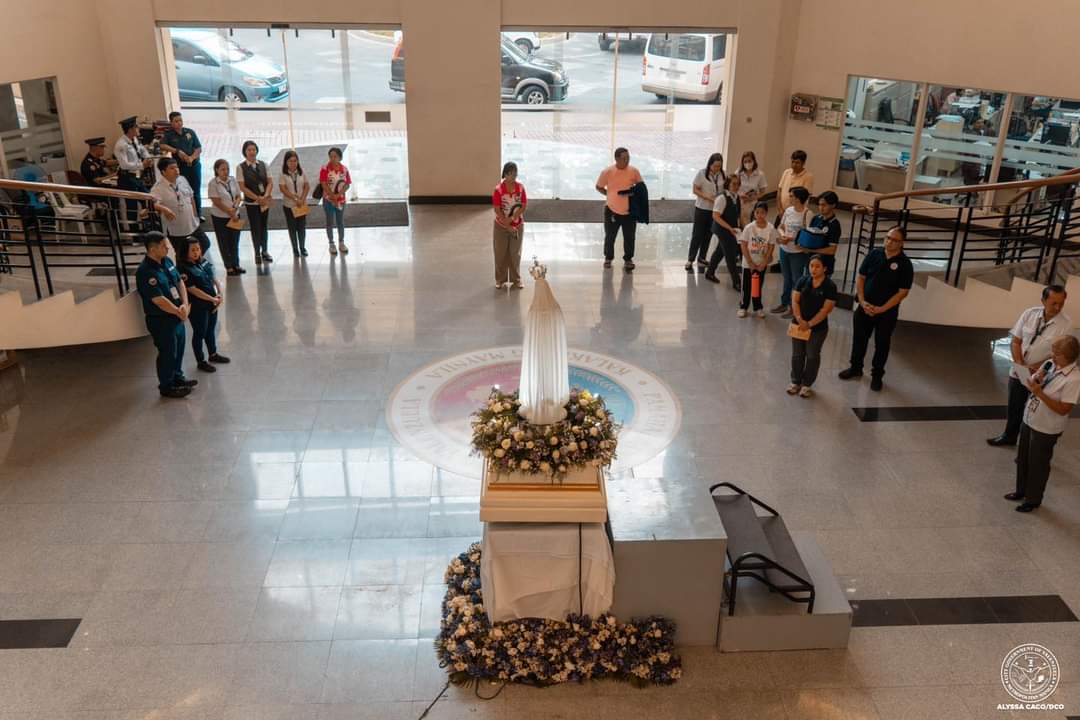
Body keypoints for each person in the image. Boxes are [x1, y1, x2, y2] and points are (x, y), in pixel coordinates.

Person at [987, 285, 1071, 447]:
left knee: (1035, 409)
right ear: (1043, 301)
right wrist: (1020, 364)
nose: (1058, 307)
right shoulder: (1029, 314)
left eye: (1061, 303)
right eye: (1054, 303)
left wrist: (1036, 367)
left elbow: (1059, 354)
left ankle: (1029, 443)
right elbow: (1016, 340)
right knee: (1015, 405)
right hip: (1019, 371)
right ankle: (1009, 436)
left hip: (1042, 375)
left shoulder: (1065, 324)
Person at [1005, 335, 1080, 512]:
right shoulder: (1051, 365)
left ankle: (1033, 499)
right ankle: (1020, 491)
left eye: (1057, 354)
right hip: (1030, 418)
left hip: (1046, 428)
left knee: (1038, 464)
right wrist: (1034, 379)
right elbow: (1036, 383)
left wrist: (1040, 393)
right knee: (1023, 458)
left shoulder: (1074, 379)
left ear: (1070, 356)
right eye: (1053, 352)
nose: (1052, 357)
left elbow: (1064, 409)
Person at [838, 225, 914, 391]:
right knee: (859, 339)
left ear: (902, 243)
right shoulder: (875, 254)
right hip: (865, 307)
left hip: (886, 313)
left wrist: (882, 308)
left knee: (882, 343)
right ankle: (856, 368)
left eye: (894, 240)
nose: (889, 242)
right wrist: (863, 301)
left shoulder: (905, 264)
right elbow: (861, 277)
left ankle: (877, 375)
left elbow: (902, 293)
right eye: (888, 237)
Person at [134, 231, 195, 399]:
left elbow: (179, 281)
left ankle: (177, 377)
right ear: (152, 249)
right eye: (163, 246)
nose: (168, 248)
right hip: (161, 320)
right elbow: (158, 299)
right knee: (168, 352)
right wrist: (178, 311)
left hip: (177, 315)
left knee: (179, 349)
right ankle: (167, 386)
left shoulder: (167, 261)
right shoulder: (145, 271)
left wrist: (184, 304)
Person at [788, 255, 838, 398]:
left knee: (812, 355)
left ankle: (807, 385)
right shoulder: (803, 281)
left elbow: (825, 310)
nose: (813, 269)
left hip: (817, 328)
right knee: (797, 355)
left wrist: (809, 324)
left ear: (825, 269)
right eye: (811, 266)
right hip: (798, 324)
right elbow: (795, 301)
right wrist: (799, 319)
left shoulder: (830, 286)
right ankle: (795, 382)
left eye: (817, 266)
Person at [177, 239, 229, 373]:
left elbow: (214, 278)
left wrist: (220, 294)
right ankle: (201, 361)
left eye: (198, 249)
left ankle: (213, 354)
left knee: (211, 329)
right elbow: (192, 289)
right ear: (185, 251)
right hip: (198, 306)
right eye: (193, 250)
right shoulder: (183, 268)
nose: (196, 252)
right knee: (200, 332)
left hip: (212, 303)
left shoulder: (203, 261)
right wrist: (212, 298)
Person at [596, 147, 643, 271]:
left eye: (628, 158)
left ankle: (628, 259)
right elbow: (599, 186)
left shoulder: (634, 171)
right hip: (612, 210)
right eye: (624, 158)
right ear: (616, 159)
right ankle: (608, 258)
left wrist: (632, 193)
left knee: (629, 237)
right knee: (610, 236)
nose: (627, 160)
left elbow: (641, 188)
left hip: (629, 212)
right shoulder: (607, 172)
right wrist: (609, 194)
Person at [150, 157, 211, 253]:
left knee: (205, 243)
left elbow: (191, 197)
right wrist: (165, 209)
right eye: (172, 168)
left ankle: (193, 263)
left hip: (192, 224)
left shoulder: (182, 179)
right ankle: (186, 265)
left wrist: (195, 215)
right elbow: (152, 204)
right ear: (163, 172)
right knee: (181, 253)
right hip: (177, 229)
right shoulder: (158, 188)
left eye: (177, 167)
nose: (176, 170)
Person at [771, 186, 814, 318]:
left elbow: (808, 234)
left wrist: (791, 238)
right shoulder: (788, 210)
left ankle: (794, 307)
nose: (789, 198)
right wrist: (783, 236)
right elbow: (781, 226)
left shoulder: (807, 213)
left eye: (792, 196)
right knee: (786, 277)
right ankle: (784, 303)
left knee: (797, 279)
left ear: (798, 198)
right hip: (785, 249)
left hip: (798, 252)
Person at [736, 201, 778, 319]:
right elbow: (743, 245)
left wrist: (764, 262)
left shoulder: (770, 228)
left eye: (763, 213)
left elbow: (771, 245)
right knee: (746, 286)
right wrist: (750, 263)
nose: (760, 215)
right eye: (757, 212)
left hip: (761, 263)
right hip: (748, 263)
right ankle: (743, 307)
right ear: (754, 213)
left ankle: (758, 307)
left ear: (766, 213)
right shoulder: (749, 228)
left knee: (758, 285)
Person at [159, 111, 203, 218]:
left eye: (180, 120)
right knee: (183, 191)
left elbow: (198, 148)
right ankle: (188, 213)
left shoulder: (189, 132)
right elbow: (162, 145)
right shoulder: (169, 135)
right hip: (180, 168)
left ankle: (198, 214)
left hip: (194, 165)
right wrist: (176, 151)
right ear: (171, 123)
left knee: (196, 190)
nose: (179, 123)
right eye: (176, 121)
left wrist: (192, 158)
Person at [492, 161, 527, 289]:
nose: (514, 176)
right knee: (500, 253)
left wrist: (512, 218)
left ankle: (516, 279)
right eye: (511, 174)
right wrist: (506, 225)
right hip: (501, 227)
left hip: (517, 225)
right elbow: (497, 209)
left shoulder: (521, 188)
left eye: (515, 173)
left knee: (515, 253)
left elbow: (523, 206)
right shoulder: (498, 190)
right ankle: (500, 280)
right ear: (505, 174)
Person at [237, 140, 273, 264]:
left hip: (264, 201)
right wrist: (258, 198)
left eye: (254, 149)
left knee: (264, 226)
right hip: (252, 203)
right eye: (249, 150)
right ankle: (257, 252)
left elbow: (270, 182)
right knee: (255, 227)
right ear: (245, 152)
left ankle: (265, 251)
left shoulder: (263, 165)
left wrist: (266, 196)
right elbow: (242, 187)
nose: (252, 152)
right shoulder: (241, 167)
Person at [687, 153, 724, 272]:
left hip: (715, 210)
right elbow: (695, 189)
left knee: (708, 234)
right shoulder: (702, 173)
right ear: (710, 164)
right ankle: (690, 259)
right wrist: (707, 197)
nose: (717, 169)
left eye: (719, 166)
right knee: (697, 234)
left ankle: (702, 257)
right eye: (715, 166)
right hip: (702, 208)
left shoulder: (722, 175)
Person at [207, 159, 245, 276]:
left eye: (227, 169)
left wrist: (236, 206)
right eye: (223, 169)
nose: (226, 171)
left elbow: (239, 195)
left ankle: (236, 264)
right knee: (224, 242)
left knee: (235, 240)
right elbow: (216, 201)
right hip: (221, 217)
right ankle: (228, 266)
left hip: (235, 215)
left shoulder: (232, 180)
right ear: (217, 170)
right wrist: (229, 211)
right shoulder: (213, 183)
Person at [704, 175, 742, 290]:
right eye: (733, 184)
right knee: (730, 255)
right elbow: (715, 216)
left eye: (738, 184)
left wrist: (743, 228)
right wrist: (729, 228)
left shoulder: (737, 197)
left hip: (731, 229)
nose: (736, 186)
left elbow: (738, 215)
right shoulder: (722, 198)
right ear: (728, 184)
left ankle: (709, 273)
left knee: (720, 251)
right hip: (722, 229)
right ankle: (737, 282)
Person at [114, 116, 153, 225]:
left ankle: (147, 226)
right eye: (136, 127)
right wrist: (142, 165)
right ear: (130, 129)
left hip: (136, 177)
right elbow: (124, 165)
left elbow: (142, 149)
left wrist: (148, 158)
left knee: (148, 199)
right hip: (127, 178)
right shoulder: (121, 145)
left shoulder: (134, 139)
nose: (138, 129)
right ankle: (134, 235)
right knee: (132, 207)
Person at [320, 147, 351, 256]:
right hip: (328, 200)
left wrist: (338, 195)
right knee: (329, 222)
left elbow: (347, 184)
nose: (332, 159)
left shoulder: (344, 169)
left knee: (340, 222)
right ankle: (331, 243)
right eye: (330, 156)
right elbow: (323, 184)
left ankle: (341, 242)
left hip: (341, 201)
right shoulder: (325, 169)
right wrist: (332, 196)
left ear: (340, 157)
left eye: (335, 156)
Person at [279, 150, 310, 258]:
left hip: (301, 204)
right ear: (286, 162)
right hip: (289, 206)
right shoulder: (283, 174)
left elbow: (307, 186)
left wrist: (302, 199)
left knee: (302, 227)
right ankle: (295, 249)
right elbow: (282, 189)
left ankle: (302, 247)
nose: (293, 163)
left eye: (295, 161)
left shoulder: (301, 172)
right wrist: (294, 198)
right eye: (290, 161)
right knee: (292, 228)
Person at [79, 137, 116, 207]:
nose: (103, 150)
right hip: (97, 191)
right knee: (116, 194)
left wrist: (120, 161)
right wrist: (113, 175)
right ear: (94, 148)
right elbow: (97, 181)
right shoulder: (88, 163)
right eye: (102, 147)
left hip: (103, 188)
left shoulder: (95, 159)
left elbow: (106, 163)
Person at [776, 150, 814, 217]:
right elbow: (779, 190)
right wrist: (780, 209)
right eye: (792, 162)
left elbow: (806, 198)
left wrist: (796, 212)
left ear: (803, 163)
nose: (794, 165)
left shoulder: (808, 176)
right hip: (782, 211)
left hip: (796, 214)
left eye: (797, 163)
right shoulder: (786, 172)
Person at [736, 151, 767, 226]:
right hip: (739, 202)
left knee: (749, 225)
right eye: (745, 161)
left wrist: (753, 198)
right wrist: (740, 195)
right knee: (737, 223)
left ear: (754, 161)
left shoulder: (760, 174)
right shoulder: (738, 173)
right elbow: (733, 188)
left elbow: (763, 191)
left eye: (749, 161)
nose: (747, 163)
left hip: (752, 204)